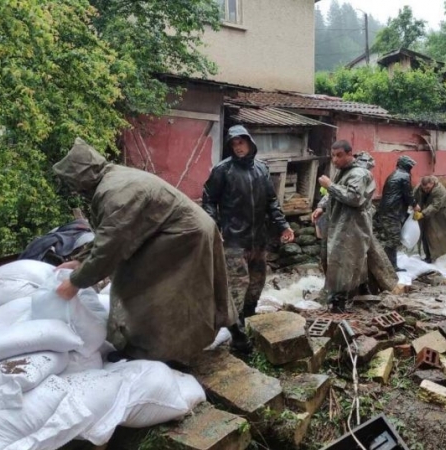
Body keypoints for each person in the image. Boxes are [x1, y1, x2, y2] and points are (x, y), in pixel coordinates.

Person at [52, 138, 243, 366]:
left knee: (164, 295)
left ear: (81, 178)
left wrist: (75, 282)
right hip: (176, 232)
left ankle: (169, 353)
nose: (74, 189)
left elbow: (110, 246)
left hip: (185, 237)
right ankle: (160, 349)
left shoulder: (115, 192)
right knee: (150, 290)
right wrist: (80, 260)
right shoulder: (111, 179)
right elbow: (112, 233)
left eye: (73, 183)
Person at [202, 125, 294, 323]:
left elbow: (271, 201)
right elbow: (209, 199)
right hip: (234, 240)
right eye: (234, 144)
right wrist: (215, 226)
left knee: (257, 282)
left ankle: (249, 318)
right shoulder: (222, 170)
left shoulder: (261, 169)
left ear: (250, 143)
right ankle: (235, 329)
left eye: (241, 142)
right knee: (237, 285)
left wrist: (283, 225)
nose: (238, 147)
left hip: (259, 239)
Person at [312, 140, 376, 312]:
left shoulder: (359, 174)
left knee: (344, 262)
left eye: (339, 155)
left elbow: (354, 198)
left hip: (353, 226)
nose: (335, 160)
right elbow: (334, 194)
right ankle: (358, 292)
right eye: (333, 156)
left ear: (349, 154)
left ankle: (340, 303)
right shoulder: (343, 172)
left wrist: (330, 186)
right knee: (339, 260)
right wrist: (321, 206)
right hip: (339, 223)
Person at [373, 155, 416, 271]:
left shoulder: (393, 175)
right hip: (392, 212)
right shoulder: (404, 176)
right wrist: (415, 205)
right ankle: (388, 265)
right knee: (393, 240)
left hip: (387, 210)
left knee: (392, 239)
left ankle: (389, 264)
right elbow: (408, 195)